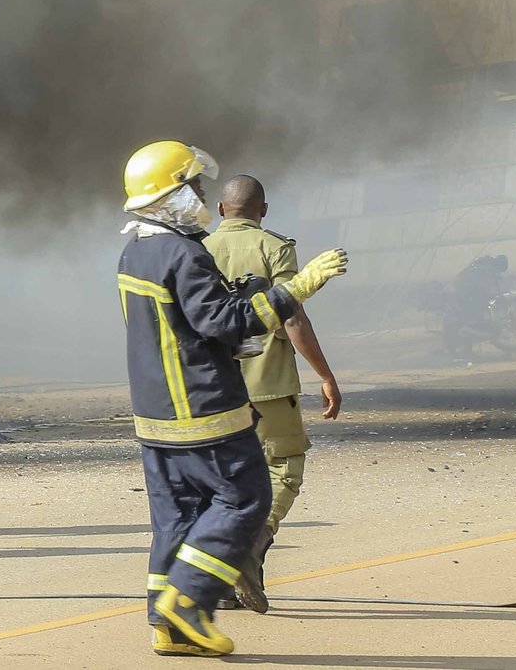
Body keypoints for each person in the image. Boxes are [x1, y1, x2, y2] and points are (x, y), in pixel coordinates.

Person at [117, 141, 347, 658]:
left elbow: (185, 325)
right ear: (171, 194)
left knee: (176, 515)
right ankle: (189, 604)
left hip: (155, 414)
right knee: (246, 499)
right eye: (192, 184)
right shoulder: (182, 251)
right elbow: (225, 321)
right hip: (204, 408)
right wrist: (298, 287)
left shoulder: (136, 251)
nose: (199, 193)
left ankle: (166, 622)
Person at [203, 175, 342, 614]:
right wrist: (325, 374)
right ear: (262, 210)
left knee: (223, 481)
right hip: (268, 385)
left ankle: (224, 581)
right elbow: (292, 316)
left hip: (213, 387)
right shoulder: (274, 247)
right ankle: (253, 543)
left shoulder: (197, 250)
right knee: (284, 466)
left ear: (221, 210)